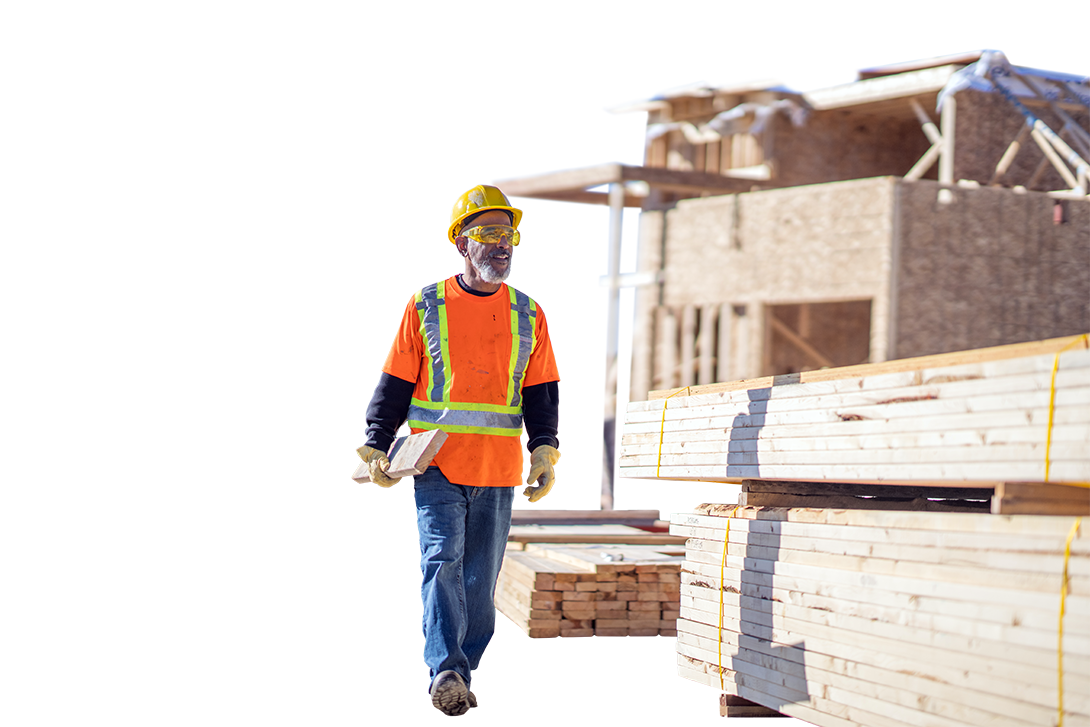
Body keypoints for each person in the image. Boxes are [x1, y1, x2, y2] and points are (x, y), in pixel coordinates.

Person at [357, 184, 561, 718]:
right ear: (462, 243)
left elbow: (541, 397)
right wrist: (375, 444)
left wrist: (543, 453)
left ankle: (461, 672)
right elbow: (395, 383)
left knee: (479, 580)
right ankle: (445, 670)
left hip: (498, 470)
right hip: (439, 466)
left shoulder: (528, 315)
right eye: (490, 233)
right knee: (440, 561)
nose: (503, 245)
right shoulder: (426, 306)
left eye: (508, 234)